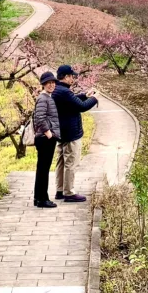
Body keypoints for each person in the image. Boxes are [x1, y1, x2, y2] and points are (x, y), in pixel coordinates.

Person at [52, 64, 97, 203]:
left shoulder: (57, 90)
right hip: (71, 132)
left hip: (62, 131)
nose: (73, 79)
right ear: (66, 77)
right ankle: (69, 192)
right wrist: (94, 99)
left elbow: (73, 101)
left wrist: (84, 95)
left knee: (61, 161)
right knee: (71, 162)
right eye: (72, 76)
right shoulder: (65, 92)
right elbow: (82, 107)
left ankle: (60, 190)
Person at [31, 70, 60, 209]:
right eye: (48, 83)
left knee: (42, 169)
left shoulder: (48, 97)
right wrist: (49, 133)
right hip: (45, 138)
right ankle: (43, 199)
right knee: (44, 169)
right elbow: (39, 118)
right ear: (43, 84)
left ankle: (38, 198)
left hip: (44, 138)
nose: (51, 85)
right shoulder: (43, 98)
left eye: (53, 82)